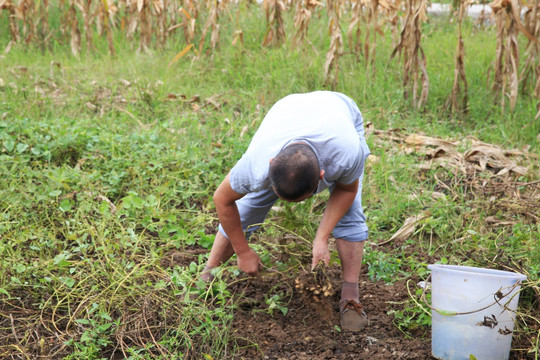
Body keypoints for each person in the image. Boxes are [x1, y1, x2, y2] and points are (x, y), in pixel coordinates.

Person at [201, 91, 371, 331]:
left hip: (340, 109)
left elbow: (346, 190)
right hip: (288, 110)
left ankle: (350, 296)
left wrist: (321, 238)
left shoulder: (346, 152)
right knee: (249, 207)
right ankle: (206, 277)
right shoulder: (257, 162)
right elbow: (222, 199)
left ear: (322, 177)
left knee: (350, 213)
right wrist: (243, 252)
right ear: (271, 165)